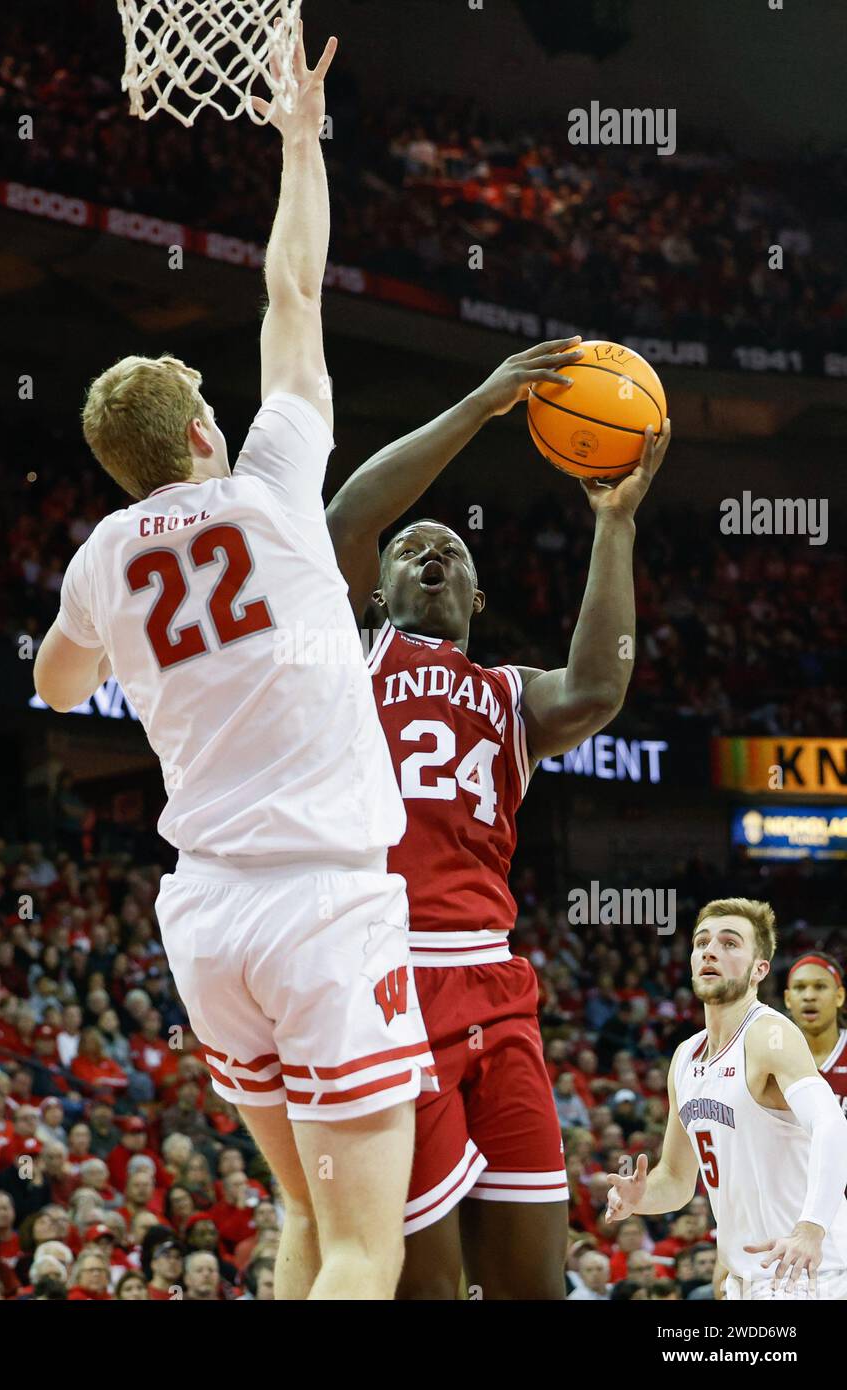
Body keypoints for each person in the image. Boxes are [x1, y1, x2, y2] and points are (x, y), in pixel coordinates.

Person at [32, 31, 433, 1303]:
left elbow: (48, 686)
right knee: (370, 1245)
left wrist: (106, 640)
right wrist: (300, 141)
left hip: (204, 914)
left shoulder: (98, 555)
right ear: (206, 430)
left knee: (306, 1224)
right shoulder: (266, 490)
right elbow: (293, 294)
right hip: (322, 901)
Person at [325, 342, 671, 1299]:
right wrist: (480, 405)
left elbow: (601, 684)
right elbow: (351, 515)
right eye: (411, 549)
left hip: (495, 981)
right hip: (387, 977)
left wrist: (614, 525)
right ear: (379, 588)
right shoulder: (349, 654)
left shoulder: (510, 694)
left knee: (535, 1288)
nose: (428, 552)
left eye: (452, 551)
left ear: (477, 598)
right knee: (426, 1290)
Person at [606, 898, 847, 1300]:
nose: (711, 951)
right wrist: (638, 1198)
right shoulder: (684, 1057)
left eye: (730, 943)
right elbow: (678, 1181)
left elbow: (831, 1124)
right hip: (748, 1279)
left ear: (760, 969)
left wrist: (811, 1227)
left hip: (809, 1274)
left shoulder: (769, 1035)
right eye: (702, 943)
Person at [783, 952, 847, 1115]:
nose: (809, 996)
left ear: (839, 996)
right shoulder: (771, 1055)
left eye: (820, 986)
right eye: (799, 987)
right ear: (788, 999)